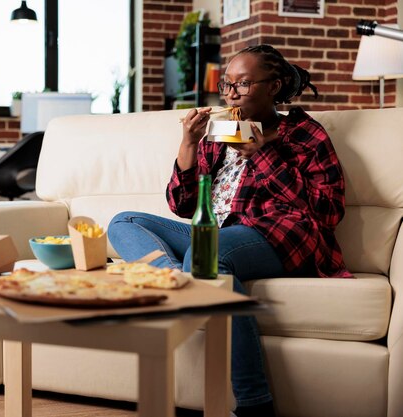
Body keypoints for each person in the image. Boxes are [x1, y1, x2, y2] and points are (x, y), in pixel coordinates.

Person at [107, 44, 352, 417]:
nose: (232, 93)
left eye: (243, 84)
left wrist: (262, 154)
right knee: (124, 222)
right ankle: (181, 285)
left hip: (280, 233)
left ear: (274, 86)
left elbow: (327, 212)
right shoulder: (218, 135)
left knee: (208, 254)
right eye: (227, 85)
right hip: (215, 230)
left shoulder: (303, 133)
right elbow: (183, 205)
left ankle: (255, 404)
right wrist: (189, 142)